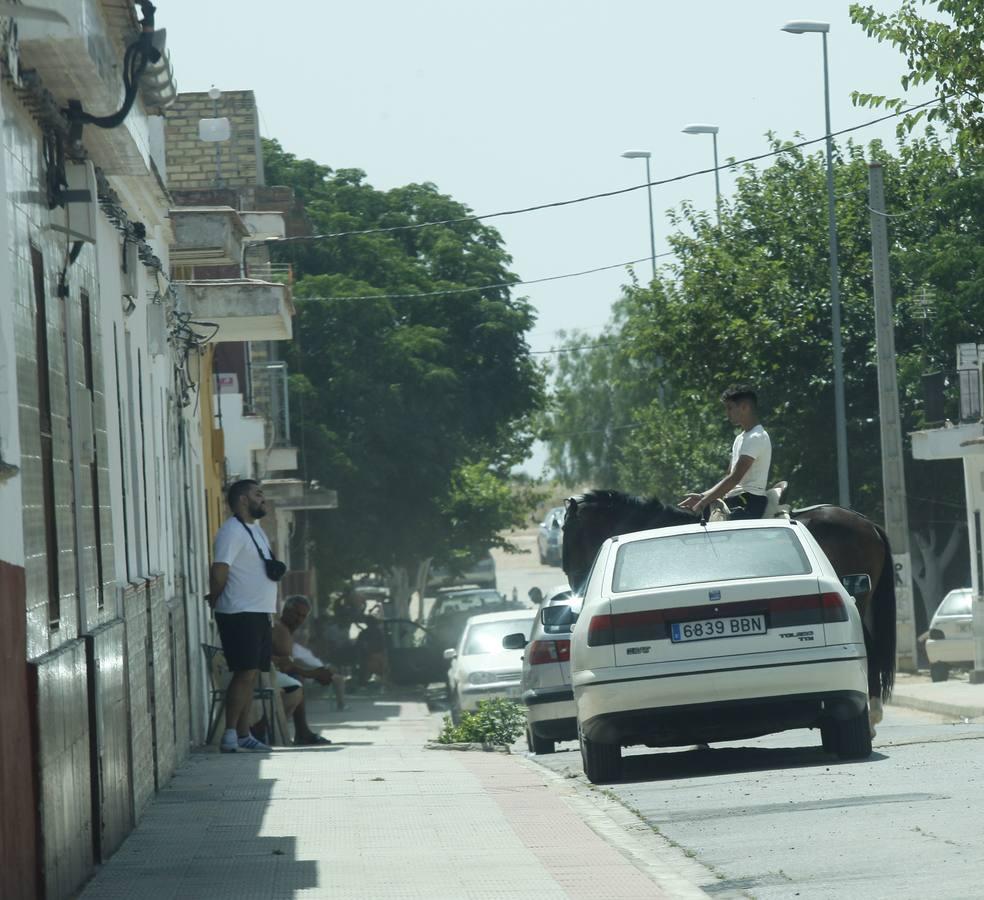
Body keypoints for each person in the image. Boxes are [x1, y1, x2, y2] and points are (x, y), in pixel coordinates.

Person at [206, 479, 282, 753]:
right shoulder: (231, 532)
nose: (263, 499)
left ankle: (243, 733)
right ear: (242, 500)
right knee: (244, 672)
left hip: (259, 611)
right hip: (240, 611)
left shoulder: (255, 530)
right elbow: (219, 569)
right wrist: (215, 597)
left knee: (252, 675)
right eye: (257, 494)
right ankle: (229, 734)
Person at [678, 384, 773, 521]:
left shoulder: (757, 437)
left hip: (749, 501)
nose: (727, 413)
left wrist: (703, 502)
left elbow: (735, 478)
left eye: (730, 408)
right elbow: (728, 476)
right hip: (735, 499)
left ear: (744, 407)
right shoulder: (740, 438)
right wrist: (702, 496)